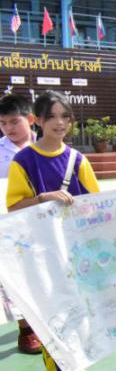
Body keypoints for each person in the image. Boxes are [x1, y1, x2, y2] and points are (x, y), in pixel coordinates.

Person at [6, 91, 100, 371]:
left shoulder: (77, 159)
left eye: (65, 117)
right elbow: (14, 207)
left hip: (73, 249)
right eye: (52, 117)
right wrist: (43, 198)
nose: (59, 123)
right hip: (41, 251)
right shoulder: (24, 161)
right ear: (37, 120)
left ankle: (75, 365)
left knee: (77, 306)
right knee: (52, 310)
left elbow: (96, 202)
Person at [0, 93, 41, 355]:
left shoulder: (45, 146)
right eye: (3, 123)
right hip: (9, 226)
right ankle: (27, 331)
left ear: (31, 119)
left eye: (14, 122)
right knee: (16, 277)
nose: (8, 128)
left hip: (41, 223)